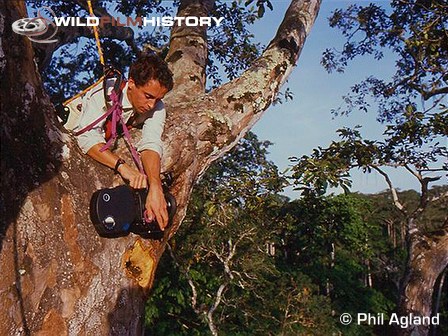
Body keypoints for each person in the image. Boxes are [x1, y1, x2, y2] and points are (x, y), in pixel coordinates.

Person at [75, 54, 174, 230]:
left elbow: (151, 142)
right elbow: (86, 137)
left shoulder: (157, 107)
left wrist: (155, 187)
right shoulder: (106, 92)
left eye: (158, 99)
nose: (152, 105)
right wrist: (123, 167)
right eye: (148, 96)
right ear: (132, 83)